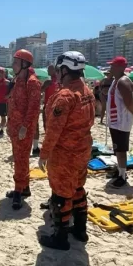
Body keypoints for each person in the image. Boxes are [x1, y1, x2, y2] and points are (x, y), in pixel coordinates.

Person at [37, 52, 95, 250]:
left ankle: (60, 238)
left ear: (64, 70)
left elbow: (53, 130)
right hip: (83, 150)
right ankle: (80, 229)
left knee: (61, 194)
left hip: (65, 154)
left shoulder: (65, 96)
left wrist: (44, 154)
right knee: (78, 188)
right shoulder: (87, 91)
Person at [6, 49, 42, 210]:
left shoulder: (32, 82)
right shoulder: (18, 80)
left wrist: (25, 127)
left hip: (23, 129)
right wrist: (9, 124)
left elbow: (34, 108)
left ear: (25, 64)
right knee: (20, 158)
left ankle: (18, 191)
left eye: (16, 62)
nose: (13, 65)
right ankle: (24, 187)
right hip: (15, 127)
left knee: (20, 159)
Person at [106, 57, 133, 188]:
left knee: (121, 150)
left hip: (121, 122)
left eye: (113, 66)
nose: (111, 68)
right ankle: (120, 170)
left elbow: (129, 103)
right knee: (117, 148)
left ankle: (123, 176)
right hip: (115, 121)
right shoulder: (116, 80)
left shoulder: (123, 82)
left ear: (121, 67)